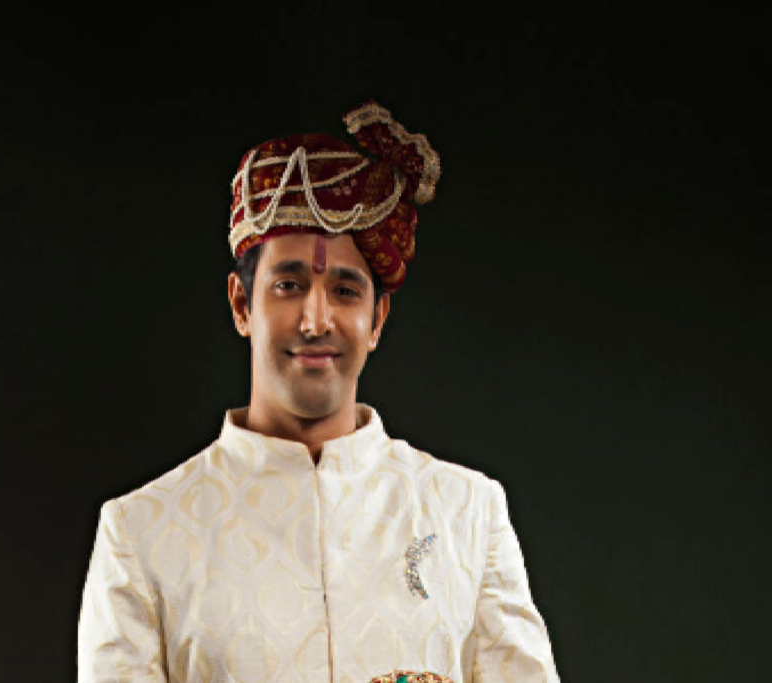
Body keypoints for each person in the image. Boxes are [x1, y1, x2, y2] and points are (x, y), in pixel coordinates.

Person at [77, 101, 560, 683]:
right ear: (241, 304)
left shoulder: (467, 513)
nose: (315, 320)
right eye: (289, 284)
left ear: (377, 320)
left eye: (345, 291)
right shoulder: (140, 532)